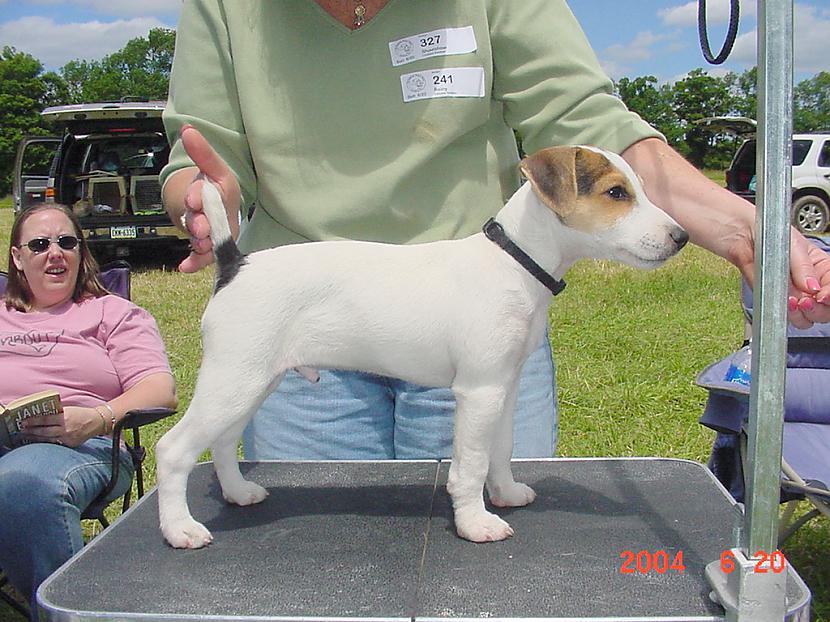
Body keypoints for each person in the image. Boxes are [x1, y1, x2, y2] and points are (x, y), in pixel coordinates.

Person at [160, 0, 830, 462]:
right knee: (313, 575)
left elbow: (581, 117)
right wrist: (200, 194)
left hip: (477, 306)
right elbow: (198, 151)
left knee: (490, 579)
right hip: (306, 311)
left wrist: (743, 228)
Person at [0, 204, 177, 617]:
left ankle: (66, 613)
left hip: (76, 447)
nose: (55, 253)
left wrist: (97, 418)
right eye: (40, 244)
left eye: (66, 242)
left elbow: (160, 389)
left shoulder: (111, 312)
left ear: (81, 252)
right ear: (17, 258)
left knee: (23, 483)